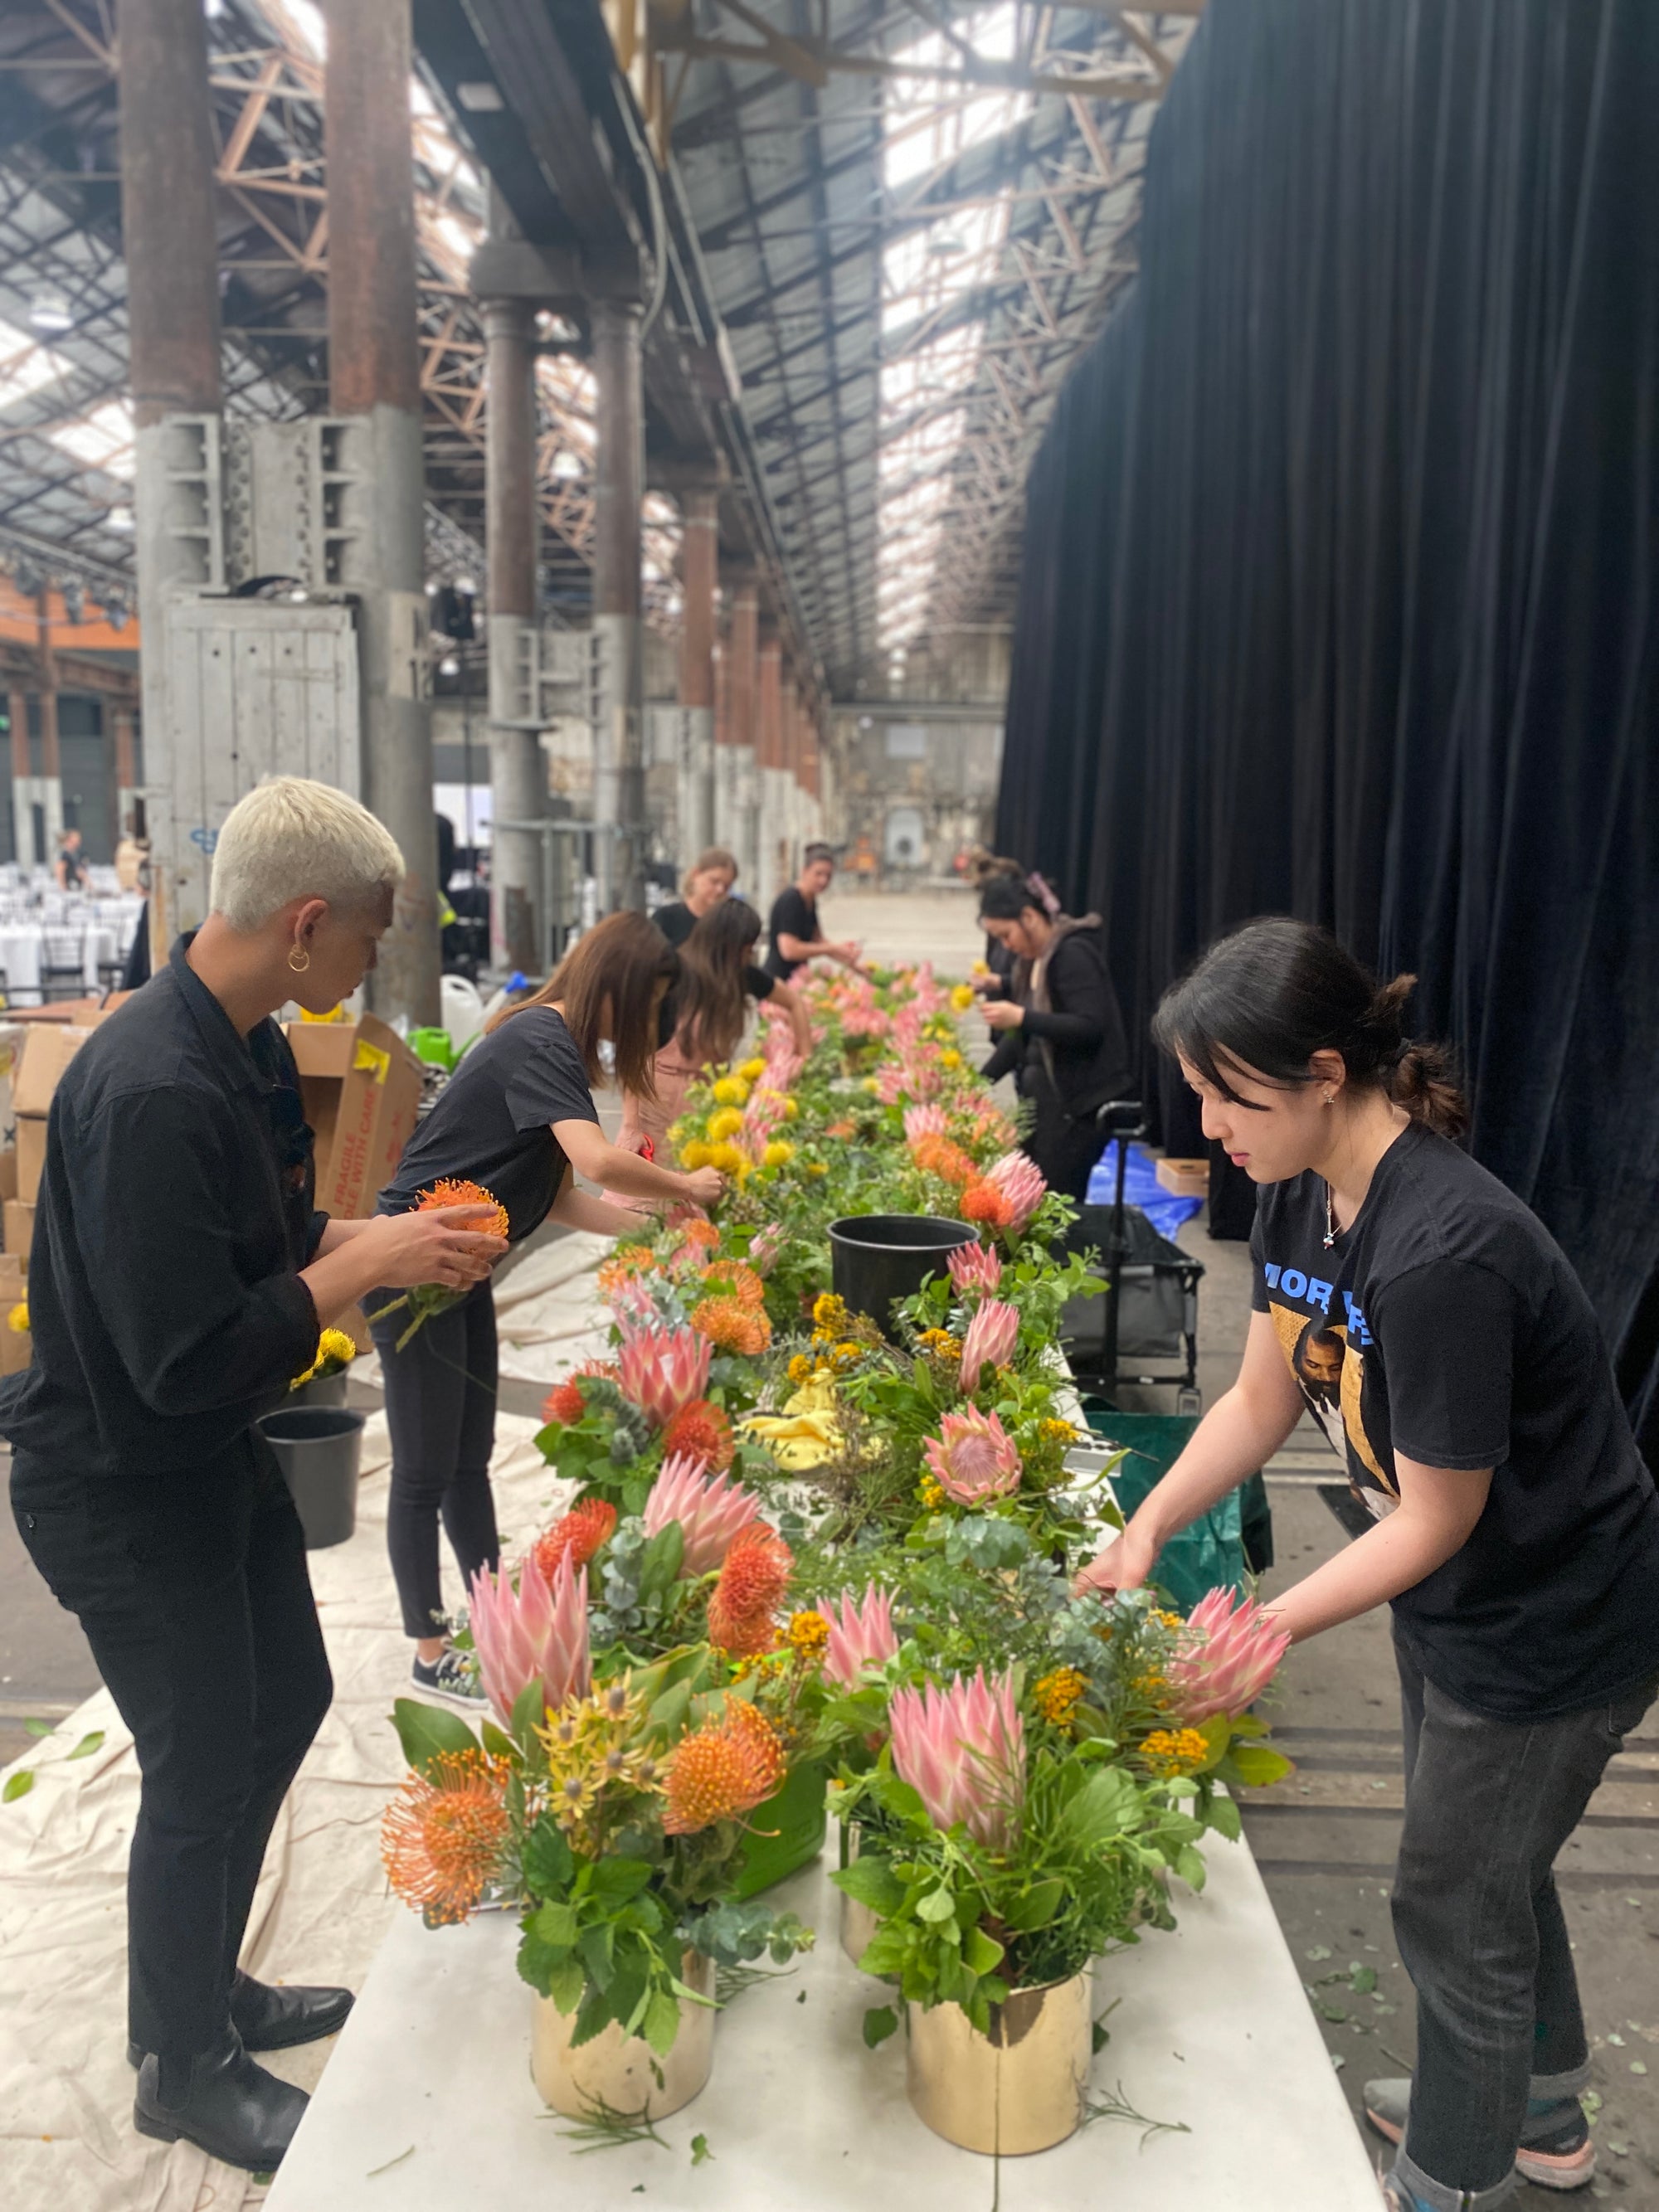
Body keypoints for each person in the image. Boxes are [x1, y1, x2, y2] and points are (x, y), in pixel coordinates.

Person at [1075, 917, 1659, 2212]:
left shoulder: (1444, 1248)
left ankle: (1456, 2174)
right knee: (1489, 1863)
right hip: (1460, 1602)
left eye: (1234, 1094)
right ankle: (1540, 2106)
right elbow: (1261, 1399)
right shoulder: (1303, 1188)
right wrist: (1148, 1524)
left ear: (1326, 1072)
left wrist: (1257, 1630)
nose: (1213, 1123)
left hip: (1548, 1620)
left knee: (1453, 1897)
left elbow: (1436, 1515)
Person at [2, 778, 508, 2171]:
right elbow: (181, 1355)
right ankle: (181, 2058)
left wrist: (391, 1232)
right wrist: (355, 1272)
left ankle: (204, 1980)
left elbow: (278, 1236)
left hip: (204, 1454)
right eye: (367, 940)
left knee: (283, 1693)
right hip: (116, 1475)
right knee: (199, 1765)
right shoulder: (150, 1088)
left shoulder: (250, 1051)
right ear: (301, 925)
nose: (373, 967)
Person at [372, 911, 727, 1703]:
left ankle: (495, 1618)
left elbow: (559, 1194)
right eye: (642, 1007)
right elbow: (598, 1159)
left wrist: (659, 1226)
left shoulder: (551, 1047)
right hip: (407, 1264)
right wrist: (683, 1186)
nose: (641, 1027)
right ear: (614, 989)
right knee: (423, 1468)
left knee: (467, 1456)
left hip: (458, 1264)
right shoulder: (539, 1039)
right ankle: (430, 1651)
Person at [976, 874, 1133, 1201]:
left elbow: (1090, 1026)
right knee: (1029, 1190)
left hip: (1083, 1105)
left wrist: (1021, 1016)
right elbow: (1022, 1038)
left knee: (1053, 1199)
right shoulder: (1034, 963)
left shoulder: (1072, 954)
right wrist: (977, 1084)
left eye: (1006, 935)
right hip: (1054, 1100)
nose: (1006, 946)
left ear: (1029, 917)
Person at [617, 898, 809, 1166]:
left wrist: (803, 1056)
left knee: (695, 1190)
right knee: (642, 1190)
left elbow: (794, 1002)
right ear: (726, 945)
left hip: (706, 1098)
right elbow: (634, 1050)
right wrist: (630, 1125)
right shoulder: (672, 973)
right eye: (746, 949)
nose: (749, 956)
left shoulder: (740, 975)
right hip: (657, 1096)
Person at [763, 842, 863, 983]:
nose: (823, 881)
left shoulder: (810, 900)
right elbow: (789, 950)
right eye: (818, 874)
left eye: (828, 876)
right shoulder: (792, 900)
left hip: (796, 978)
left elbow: (818, 940)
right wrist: (831, 948)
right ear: (804, 871)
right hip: (778, 980)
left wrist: (853, 963)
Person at [650, 845, 741, 949]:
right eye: (714, 881)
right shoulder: (665, 919)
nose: (720, 890)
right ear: (696, 875)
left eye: (726, 886)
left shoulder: (730, 926)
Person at [55, 824, 86, 890]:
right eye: (76, 841)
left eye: (79, 840)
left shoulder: (78, 854)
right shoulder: (65, 855)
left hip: (78, 886)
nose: (78, 843)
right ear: (69, 841)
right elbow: (59, 869)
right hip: (69, 885)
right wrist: (63, 886)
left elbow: (81, 872)